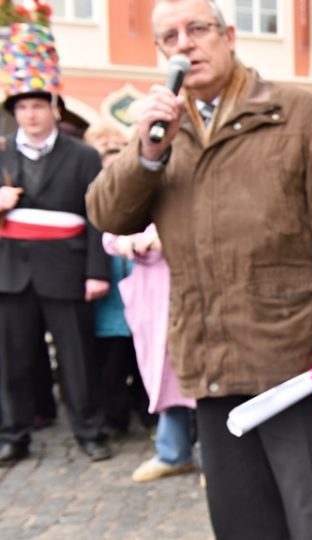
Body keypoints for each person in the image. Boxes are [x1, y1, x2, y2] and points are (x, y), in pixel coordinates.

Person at [85, 1, 312, 537]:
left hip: (293, 360)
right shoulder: (164, 131)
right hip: (209, 356)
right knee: (241, 523)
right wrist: (145, 155)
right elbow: (108, 213)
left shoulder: (297, 113)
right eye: (170, 37)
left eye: (197, 29)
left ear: (229, 35)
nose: (185, 44)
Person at [0, 87, 113, 463]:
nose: (30, 115)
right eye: (21, 108)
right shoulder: (2, 152)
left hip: (67, 268)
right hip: (12, 271)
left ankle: (90, 431)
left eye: (37, 106)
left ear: (55, 111)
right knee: (11, 361)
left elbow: (99, 216)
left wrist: (97, 272)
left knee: (78, 359)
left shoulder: (82, 155)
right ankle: (14, 433)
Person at [104, 223, 198, 482]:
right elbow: (110, 228)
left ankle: (219, 460)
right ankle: (173, 452)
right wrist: (127, 241)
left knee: (205, 370)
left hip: (195, 284)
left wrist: (169, 235)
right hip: (150, 295)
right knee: (160, 372)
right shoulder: (136, 188)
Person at [84, 125, 152, 439]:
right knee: (110, 361)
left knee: (143, 359)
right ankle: (115, 416)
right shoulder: (93, 201)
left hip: (143, 289)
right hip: (109, 295)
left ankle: (148, 411)